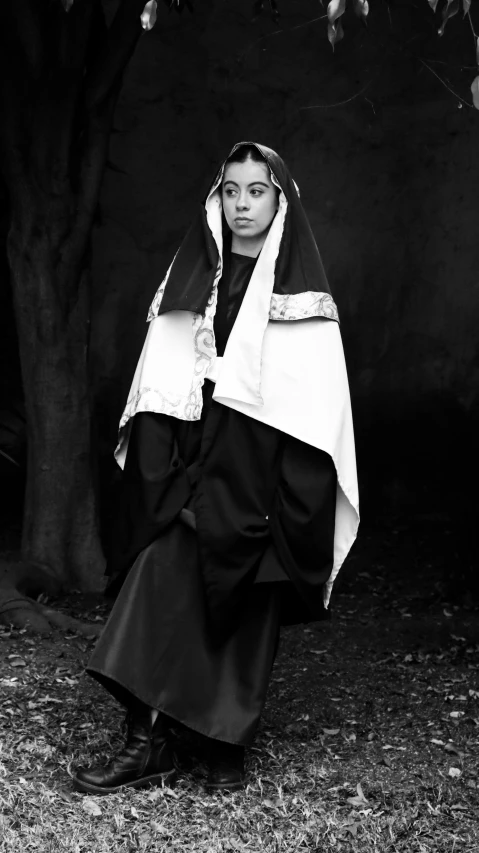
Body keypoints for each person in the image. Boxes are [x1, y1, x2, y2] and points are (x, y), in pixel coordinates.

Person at [73, 142, 359, 796]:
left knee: (246, 611)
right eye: (230, 191)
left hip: (266, 489)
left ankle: (219, 743)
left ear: (278, 199)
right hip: (194, 476)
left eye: (255, 191)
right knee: (157, 579)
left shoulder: (304, 303)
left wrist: (278, 504)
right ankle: (144, 739)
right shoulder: (195, 278)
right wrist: (173, 485)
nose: (241, 204)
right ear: (217, 199)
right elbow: (163, 383)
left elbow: (316, 414)